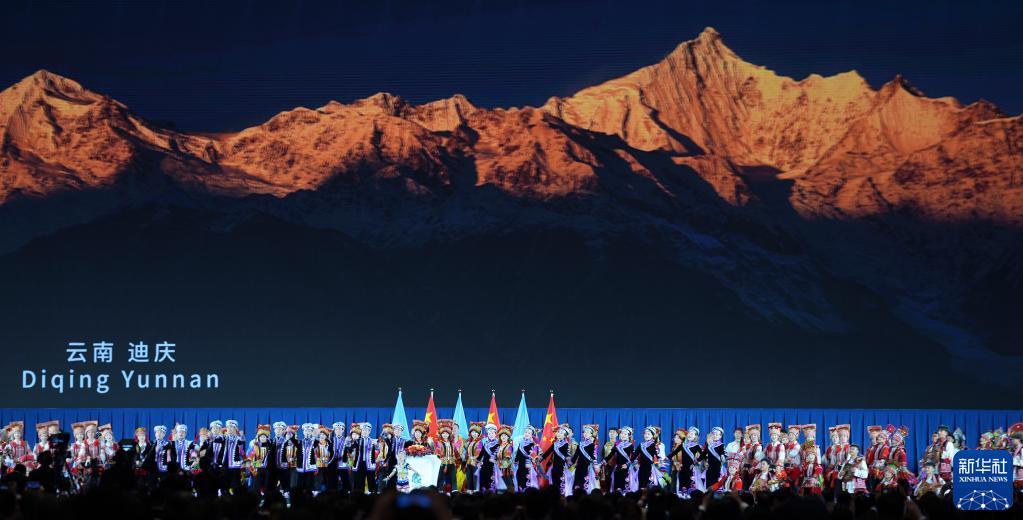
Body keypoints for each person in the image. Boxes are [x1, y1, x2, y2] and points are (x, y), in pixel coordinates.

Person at [670, 426, 703, 497]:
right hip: (683, 468)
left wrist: (696, 462)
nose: (690, 434)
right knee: (682, 484)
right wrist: (668, 457)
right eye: (689, 433)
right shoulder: (683, 445)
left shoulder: (697, 446)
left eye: (692, 433)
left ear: (695, 436)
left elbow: (702, 457)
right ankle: (682, 496)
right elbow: (675, 453)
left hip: (692, 469)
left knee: (690, 484)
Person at [541, 424, 572, 494]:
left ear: (565, 436)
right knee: (554, 480)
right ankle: (554, 494)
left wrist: (569, 461)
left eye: (561, 433)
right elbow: (548, 452)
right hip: (554, 466)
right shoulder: (555, 444)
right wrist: (540, 459)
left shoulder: (566, 444)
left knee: (560, 481)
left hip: (562, 466)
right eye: (558, 432)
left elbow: (567, 454)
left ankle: (561, 494)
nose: (559, 434)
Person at [633, 425, 665, 490]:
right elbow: (635, 455)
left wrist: (659, 462)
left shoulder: (654, 445)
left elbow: (657, 456)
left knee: (648, 483)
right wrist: (629, 462)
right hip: (641, 467)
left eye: (648, 434)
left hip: (649, 468)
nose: (646, 435)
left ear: (652, 436)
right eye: (645, 433)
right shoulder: (641, 445)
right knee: (641, 483)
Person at [607, 425, 634, 493]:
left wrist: (627, 464)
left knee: (624, 486)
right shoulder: (617, 445)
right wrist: (602, 462)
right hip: (617, 467)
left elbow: (634, 457)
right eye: (622, 433)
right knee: (617, 487)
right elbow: (611, 454)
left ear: (629, 436)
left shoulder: (630, 445)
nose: (623, 435)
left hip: (626, 469)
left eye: (625, 434)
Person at [474, 423, 501, 492]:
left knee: (491, 481)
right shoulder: (485, 443)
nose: (491, 435)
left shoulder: (498, 444)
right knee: (482, 480)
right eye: (489, 433)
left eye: (492, 433)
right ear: (487, 434)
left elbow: (497, 456)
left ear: (495, 434)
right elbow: (481, 453)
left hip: (493, 466)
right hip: (484, 465)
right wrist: (477, 460)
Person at [435, 420, 460, 492]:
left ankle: (454, 491)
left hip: (451, 463)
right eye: (443, 433)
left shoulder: (452, 443)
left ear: (449, 434)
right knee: (441, 478)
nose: (445, 435)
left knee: (453, 478)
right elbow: (437, 453)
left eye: (446, 433)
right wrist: (440, 460)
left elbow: (456, 452)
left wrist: (459, 460)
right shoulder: (439, 443)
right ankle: (440, 492)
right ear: (441, 434)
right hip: (443, 464)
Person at [514, 424, 539, 491]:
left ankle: (526, 494)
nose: (527, 434)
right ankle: (520, 492)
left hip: (528, 465)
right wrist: (516, 460)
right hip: (520, 465)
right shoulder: (521, 442)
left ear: (532, 434)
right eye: (525, 432)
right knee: (519, 477)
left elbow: (534, 455)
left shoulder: (533, 444)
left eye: (529, 433)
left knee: (526, 479)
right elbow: (518, 452)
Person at [294, 423, 318, 493]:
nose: (307, 432)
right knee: (300, 482)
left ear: (311, 432)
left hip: (310, 466)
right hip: (301, 466)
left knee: (309, 481)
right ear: (303, 432)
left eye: (309, 431)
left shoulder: (315, 441)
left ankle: (310, 493)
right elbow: (293, 440)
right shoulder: (300, 442)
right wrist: (292, 431)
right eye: (306, 431)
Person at [329, 421, 351, 493]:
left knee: (345, 481)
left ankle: (347, 495)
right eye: (337, 429)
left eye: (340, 429)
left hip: (343, 463)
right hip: (333, 463)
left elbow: (350, 451)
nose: (338, 431)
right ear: (334, 430)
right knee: (332, 481)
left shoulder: (346, 440)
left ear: (343, 430)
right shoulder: (331, 440)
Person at [463, 422, 483, 492]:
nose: (473, 434)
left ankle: (475, 493)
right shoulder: (470, 442)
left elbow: (479, 453)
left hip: (475, 463)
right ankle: (469, 493)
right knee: (469, 478)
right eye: (472, 432)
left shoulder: (480, 442)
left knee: (475, 479)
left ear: (479, 433)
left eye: (475, 432)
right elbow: (467, 453)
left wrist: (474, 459)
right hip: (469, 462)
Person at [495, 424, 515, 491]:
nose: (503, 437)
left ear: (508, 437)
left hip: (506, 468)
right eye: (502, 436)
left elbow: (508, 456)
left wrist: (501, 462)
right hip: (499, 468)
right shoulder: (499, 446)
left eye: (505, 436)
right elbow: (496, 456)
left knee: (508, 484)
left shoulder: (509, 446)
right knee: (500, 485)